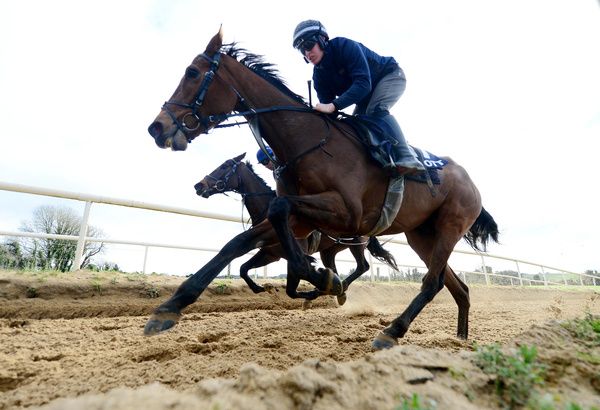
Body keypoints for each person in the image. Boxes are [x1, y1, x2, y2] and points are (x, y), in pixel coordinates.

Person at [292, 20, 425, 175]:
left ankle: (407, 156)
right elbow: (329, 112)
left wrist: (333, 106)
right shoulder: (319, 76)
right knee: (356, 128)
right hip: (365, 96)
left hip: (390, 76)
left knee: (376, 110)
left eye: (309, 45)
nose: (307, 53)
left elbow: (363, 84)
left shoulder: (345, 46)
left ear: (322, 40)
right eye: (302, 50)